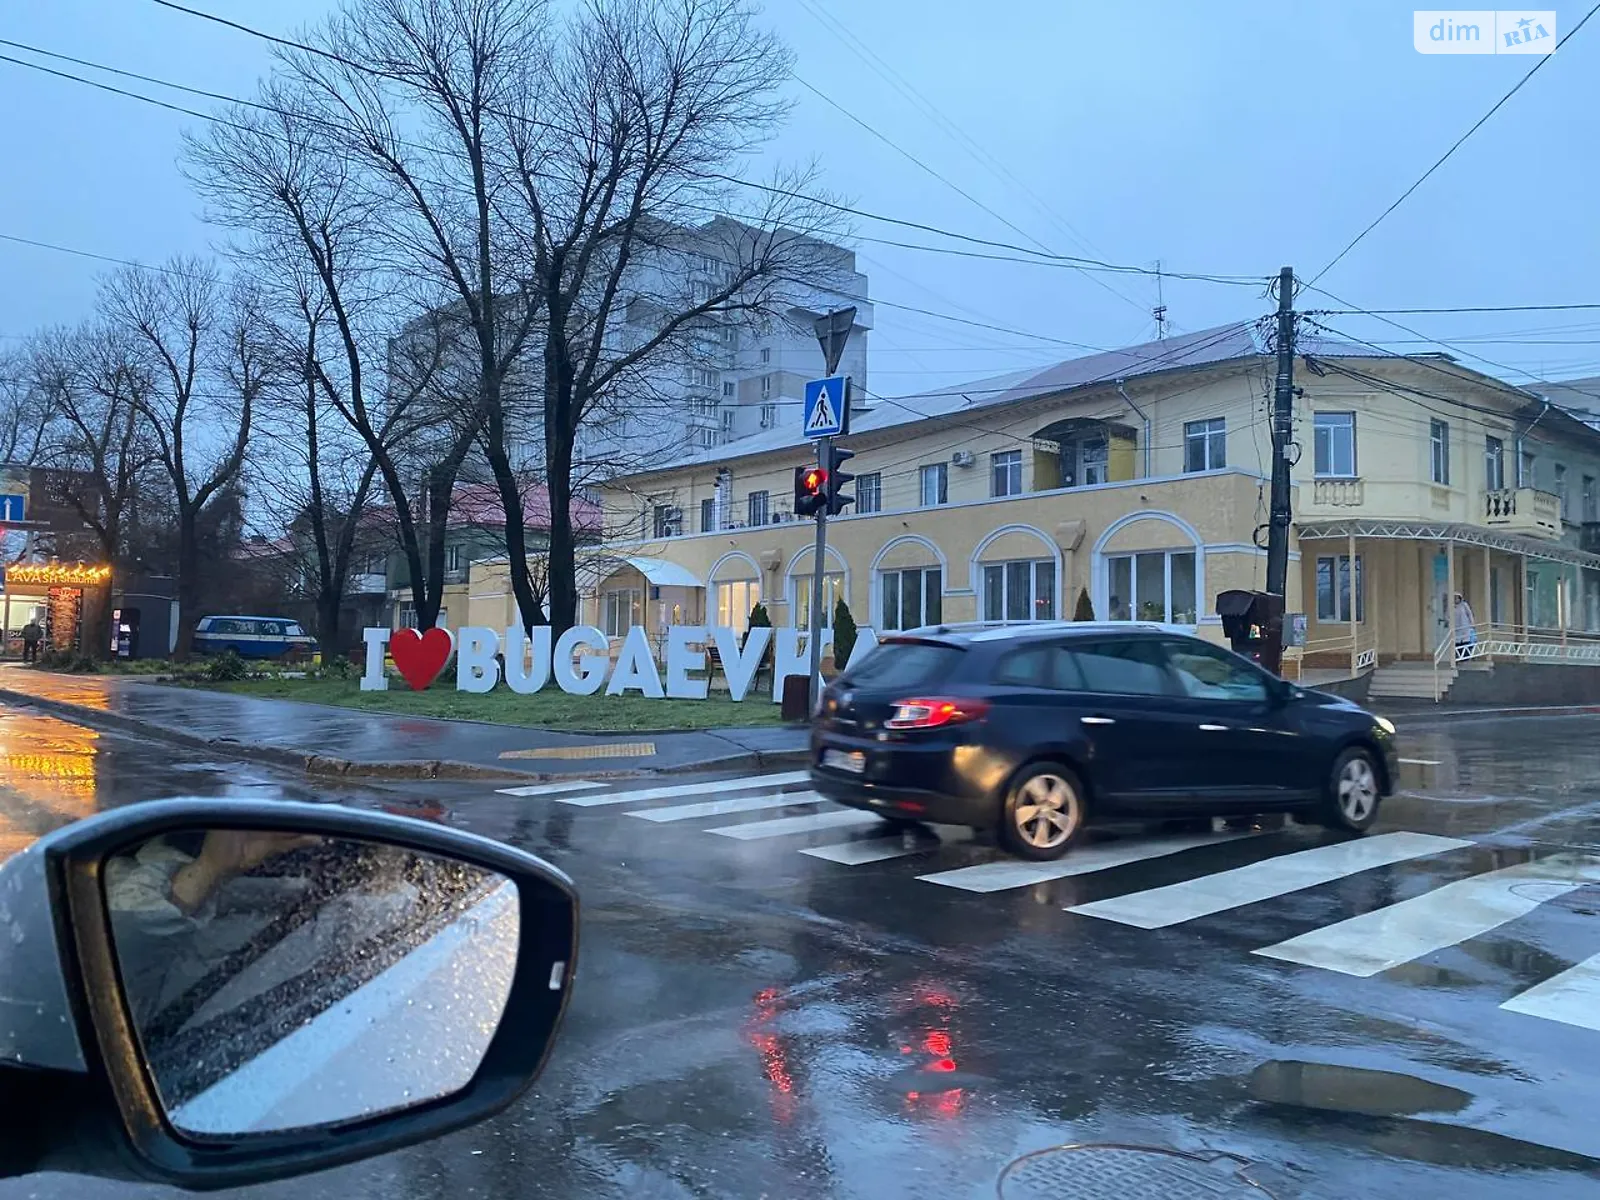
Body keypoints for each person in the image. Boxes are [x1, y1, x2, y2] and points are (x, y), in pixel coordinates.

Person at [1454, 592, 1477, 659]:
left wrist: (1472, 623)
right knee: (1457, 643)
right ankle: (1459, 657)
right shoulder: (1452, 606)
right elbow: (1448, 615)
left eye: (1457, 598)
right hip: (1456, 627)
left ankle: (1466, 657)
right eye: (1454, 598)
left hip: (1464, 626)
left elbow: (1469, 614)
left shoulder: (1464, 605)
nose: (1456, 600)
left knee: (1465, 642)